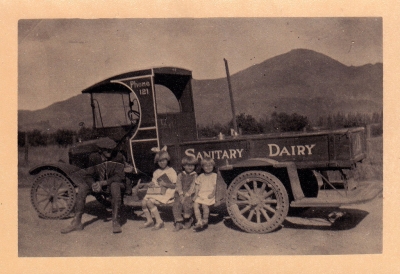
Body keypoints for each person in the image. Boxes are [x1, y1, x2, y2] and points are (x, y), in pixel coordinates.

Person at [61, 137, 126, 234]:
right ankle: (77, 222)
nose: (109, 151)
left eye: (111, 149)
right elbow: (88, 175)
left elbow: (119, 176)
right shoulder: (93, 157)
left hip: (112, 183)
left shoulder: (118, 157)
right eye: (106, 149)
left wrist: (103, 183)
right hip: (98, 184)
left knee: (115, 186)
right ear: (100, 150)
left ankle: (115, 221)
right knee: (83, 188)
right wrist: (93, 184)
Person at [140, 147, 177, 230]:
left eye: (164, 160)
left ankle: (159, 221)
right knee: (143, 202)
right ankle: (150, 220)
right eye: (159, 161)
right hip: (157, 191)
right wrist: (152, 184)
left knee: (149, 202)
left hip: (167, 192)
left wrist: (165, 184)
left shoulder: (171, 171)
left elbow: (174, 186)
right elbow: (154, 183)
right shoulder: (156, 172)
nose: (162, 163)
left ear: (167, 160)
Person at [172, 156, 198, 232]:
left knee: (187, 203)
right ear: (183, 166)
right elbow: (178, 184)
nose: (190, 167)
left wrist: (187, 195)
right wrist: (180, 194)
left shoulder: (194, 175)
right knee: (177, 204)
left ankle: (188, 219)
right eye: (188, 165)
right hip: (180, 193)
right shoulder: (180, 175)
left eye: (192, 165)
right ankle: (178, 222)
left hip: (190, 194)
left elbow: (193, 186)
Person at [193, 157, 217, 231]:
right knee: (195, 205)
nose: (208, 167)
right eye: (206, 166)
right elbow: (197, 186)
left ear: (213, 166)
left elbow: (216, 186)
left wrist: (213, 194)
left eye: (210, 165)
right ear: (202, 167)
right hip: (201, 194)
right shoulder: (201, 176)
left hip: (209, 194)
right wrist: (196, 194)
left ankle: (205, 219)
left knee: (204, 205)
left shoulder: (214, 175)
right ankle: (199, 220)